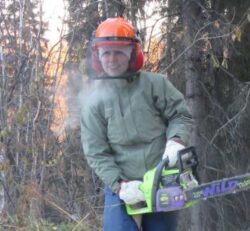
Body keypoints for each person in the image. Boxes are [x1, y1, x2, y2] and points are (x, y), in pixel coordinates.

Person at [80, 17, 193, 231]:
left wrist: (176, 141)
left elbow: (180, 115)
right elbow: (96, 152)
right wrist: (119, 185)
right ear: (98, 56)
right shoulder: (94, 102)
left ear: (133, 53)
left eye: (119, 52)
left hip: (161, 178)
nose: (112, 59)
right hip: (122, 186)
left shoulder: (155, 85)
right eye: (106, 53)